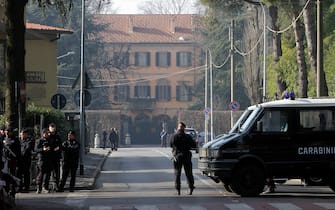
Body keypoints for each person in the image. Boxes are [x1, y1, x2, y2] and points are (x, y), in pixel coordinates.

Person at [170, 122, 196, 195]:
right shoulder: (187, 137)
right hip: (186, 155)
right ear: (184, 128)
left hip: (177, 156)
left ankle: (178, 189)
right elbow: (193, 145)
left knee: (177, 173)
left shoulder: (174, 136)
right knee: (189, 173)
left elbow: (171, 145)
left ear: (178, 127)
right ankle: (191, 187)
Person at [35, 128, 52, 194]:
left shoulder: (50, 140)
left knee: (48, 174)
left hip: (49, 159)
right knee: (41, 174)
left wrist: (50, 148)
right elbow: (36, 149)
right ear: (43, 133)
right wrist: (43, 149)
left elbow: (53, 147)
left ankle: (45, 187)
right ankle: (39, 188)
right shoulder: (39, 140)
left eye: (48, 133)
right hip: (42, 159)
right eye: (46, 133)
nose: (48, 134)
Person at [48, 123, 62, 191]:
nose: (53, 129)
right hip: (49, 156)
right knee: (48, 172)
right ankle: (47, 185)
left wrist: (58, 148)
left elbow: (60, 145)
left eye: (54, 127)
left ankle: (56, 185)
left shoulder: (57, 136)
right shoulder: (48, 136)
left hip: (56, 156)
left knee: (56, 172)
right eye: (51, 127)